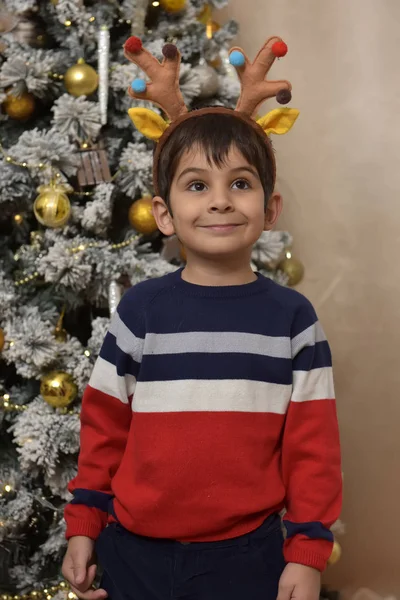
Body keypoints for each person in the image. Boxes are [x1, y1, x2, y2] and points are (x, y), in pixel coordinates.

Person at [62, 35, 342, 600]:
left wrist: (308, 553)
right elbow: (104, 429)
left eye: (240, 183)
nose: (219, 200)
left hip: (246, 555)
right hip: (134, 550)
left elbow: (313, 447)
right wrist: (84, 527)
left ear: (269, 209)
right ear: (164, 213)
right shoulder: (140, 312)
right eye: (197, 185)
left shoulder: (293, 318)